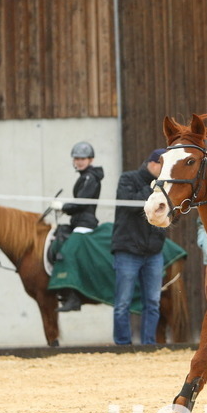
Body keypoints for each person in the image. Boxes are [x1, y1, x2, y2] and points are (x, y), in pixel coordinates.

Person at [111, 149, 167, 345]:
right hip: (128, 251)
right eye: (162, 164)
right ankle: (122, 344)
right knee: (122, 303)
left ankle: (148, 345)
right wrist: (154, 189)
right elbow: (130, 204)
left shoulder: (165, 187)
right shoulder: (127, 179)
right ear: (152, 164)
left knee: (153, 303)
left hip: (154, 253)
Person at [56, 140, 104, 312]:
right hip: (77, 221)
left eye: (83, 158)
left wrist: (63, 207)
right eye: (76, 158)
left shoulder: (90, 178)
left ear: (90, 160)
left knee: (68, 252)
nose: (79, 161)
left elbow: (82, 203)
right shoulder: (85, 177)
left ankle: (74, 297)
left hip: (85, 223)